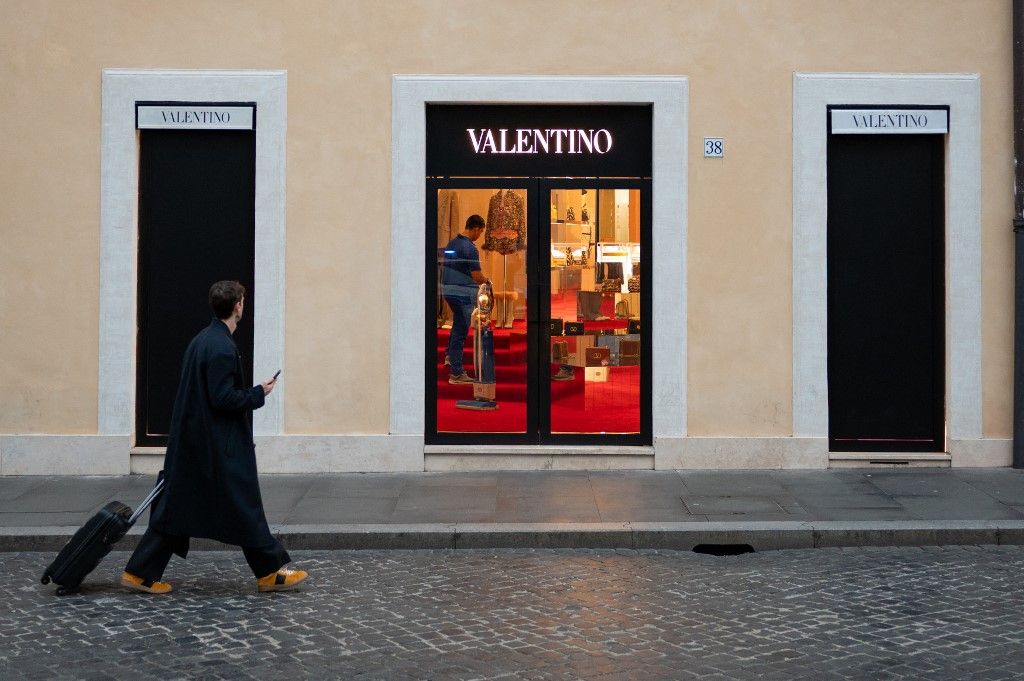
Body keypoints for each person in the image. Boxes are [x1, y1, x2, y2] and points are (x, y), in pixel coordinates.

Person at [121, 280, 307, 594]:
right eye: (243, 301)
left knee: (177, 510)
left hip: (196, 444)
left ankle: (140, 572)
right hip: (218, 448)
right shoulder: (221, 347)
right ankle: (269, 572)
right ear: (238, 306)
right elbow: (222, 399)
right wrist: (258, 393)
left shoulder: (202, 341)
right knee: (244, 506)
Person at [442, 215, 489, 384]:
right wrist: (487, 281)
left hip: (448, 290)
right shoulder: (470, 248)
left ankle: (449, 356)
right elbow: (476, 275)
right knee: (461, 330)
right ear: (476, 228)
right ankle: (456, 372)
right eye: (481, 231)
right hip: (462, 293)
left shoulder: (453, 243)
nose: (480, 235)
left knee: (457, 324)